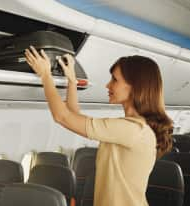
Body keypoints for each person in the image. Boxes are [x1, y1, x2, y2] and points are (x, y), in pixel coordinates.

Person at [25, 46, 173, 206]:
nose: (108, 85)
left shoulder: (132, 130)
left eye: (115, 80)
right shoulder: (132, 127)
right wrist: (72, 81)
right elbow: (75, 118)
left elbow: (62, 117)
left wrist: (45, 75)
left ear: (135, 87)